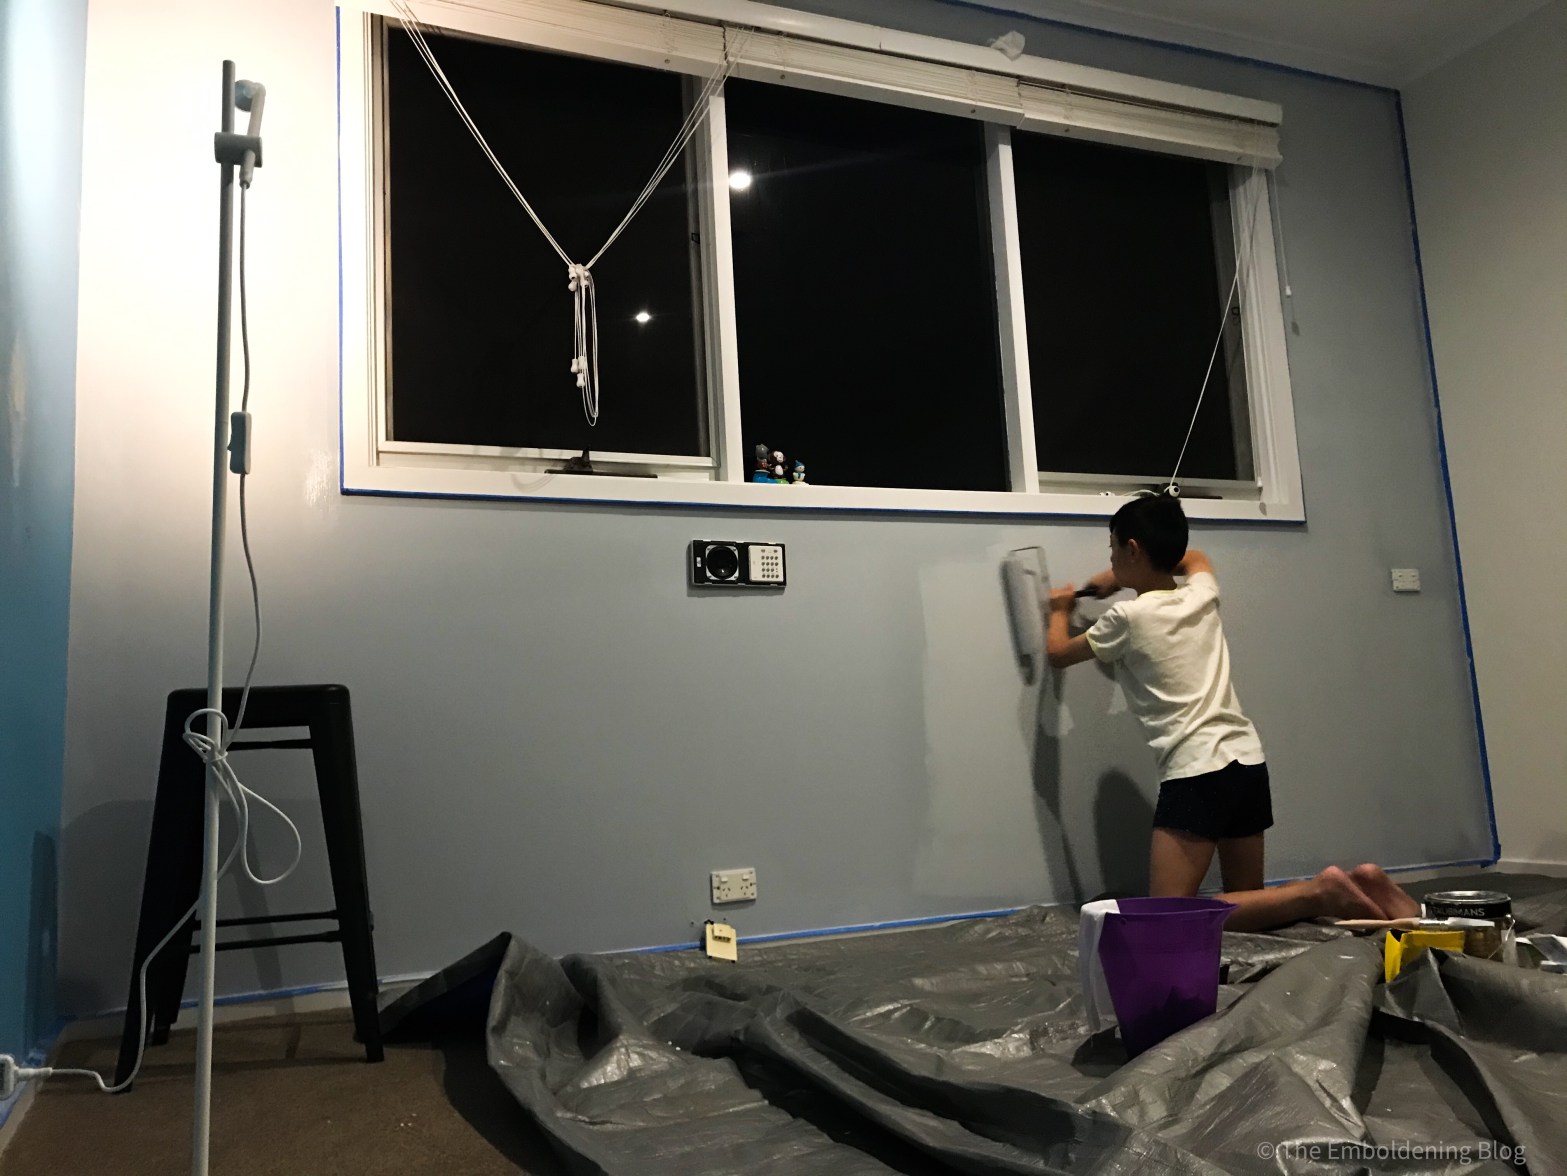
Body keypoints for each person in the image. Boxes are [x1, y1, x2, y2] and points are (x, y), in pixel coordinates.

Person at [1045, 491, 1421, 933]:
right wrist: (1121, 574)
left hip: (1196, 770)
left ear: (1133, 549)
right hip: (1246, 761)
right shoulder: (1201, 594)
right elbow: (1196, 558)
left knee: (1166, 917)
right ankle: (1365, 884)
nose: (1109, 560)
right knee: (1253, 907)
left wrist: (1060, 609)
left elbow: (1058, 653)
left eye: (1113, 549)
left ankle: (1320, 892)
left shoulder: (1126, 617)